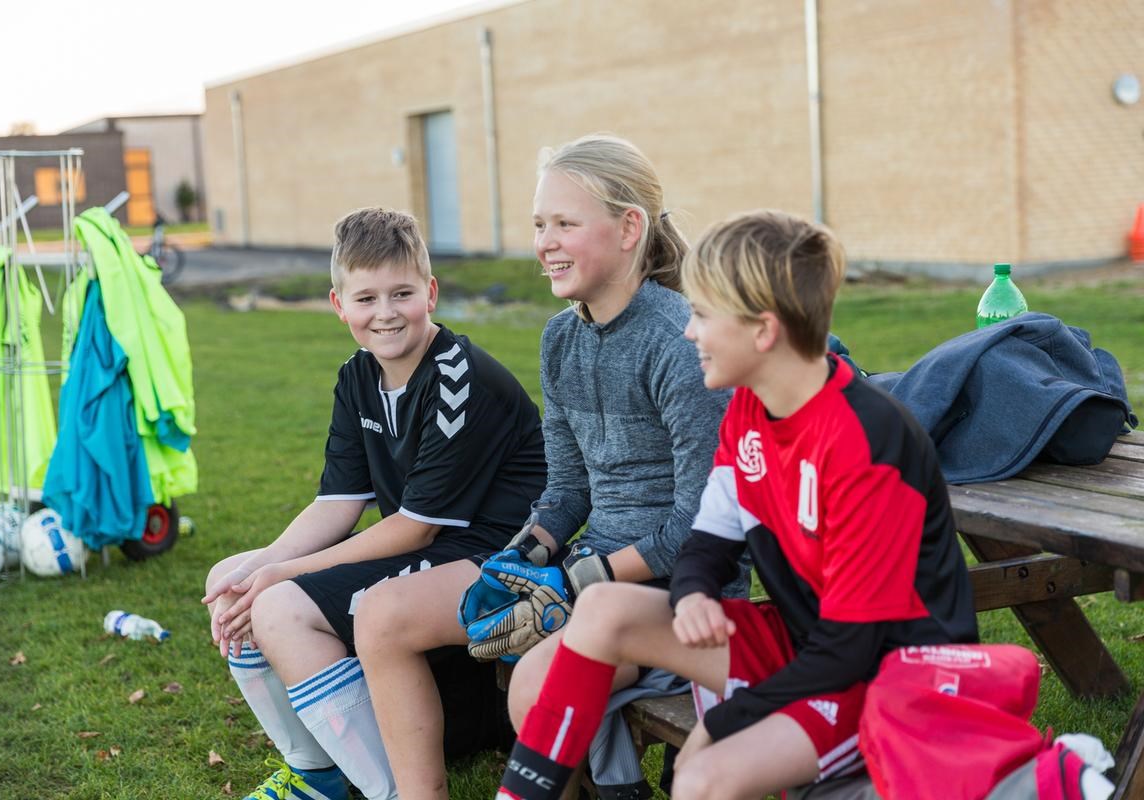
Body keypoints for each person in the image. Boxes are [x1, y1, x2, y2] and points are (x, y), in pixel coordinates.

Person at [495, 210, 979, 800]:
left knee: (702, 776)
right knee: (601, 608)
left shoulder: (869, 442)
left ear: (763, 332)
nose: (688, 332)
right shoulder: (749, 408)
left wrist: (728, 718)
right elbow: (708, 540)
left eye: (702, 314)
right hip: (806, 645)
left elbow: (853, 647)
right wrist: (694, 592)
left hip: (888, 676)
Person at [354, 134, 740, 800]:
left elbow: (702, 524)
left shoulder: (679, 341)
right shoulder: (560, 337)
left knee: (536, 683)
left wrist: (575, 577)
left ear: (629, 228)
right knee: (382, 613)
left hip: (679, 596)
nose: (545, 243)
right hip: (584, 572)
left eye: (565, 223)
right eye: (539, 225)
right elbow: (567, 490)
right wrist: (520, 560)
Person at [201, 208, 547, 800]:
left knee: (281, 606)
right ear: (340, 305)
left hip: (492, 557)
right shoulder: (358, 375)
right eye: (366, 298)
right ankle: (318, 773)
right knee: (230, 580)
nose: (385, 313)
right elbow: (336, 503)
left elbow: (414, 530)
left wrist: (283, 574)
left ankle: (383, 786)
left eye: (401, 294)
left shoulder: (458, 377)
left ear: (430, 293)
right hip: (429, 547)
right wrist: (260, 566)